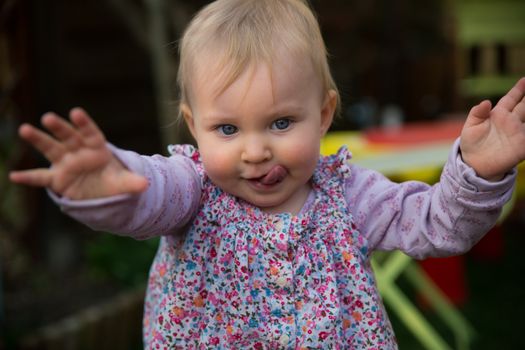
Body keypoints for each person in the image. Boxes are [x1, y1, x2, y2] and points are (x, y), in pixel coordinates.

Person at [9, 0, 525, 348]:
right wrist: (112, 186)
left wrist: (477, 172)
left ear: (323, 114)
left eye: (281, 122)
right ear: (196, 127)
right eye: (228, 129)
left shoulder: (348, 194)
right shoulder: (192, 187)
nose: (255, 151)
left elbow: (437, 225)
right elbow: (148, 194)